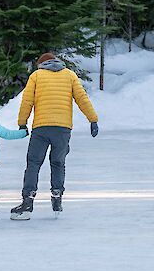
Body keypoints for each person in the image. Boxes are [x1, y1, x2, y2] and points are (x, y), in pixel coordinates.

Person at [9, 53, 99, 220]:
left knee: (34, 163)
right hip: (63, 129)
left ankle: (27, 202)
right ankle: (57, 198)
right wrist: (93, 120)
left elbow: (27, 101)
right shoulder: (70, 75)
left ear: (41, 64)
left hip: (41, 128)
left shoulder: (36, 76)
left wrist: (22, 123)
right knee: (58, 162)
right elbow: (82, 98)